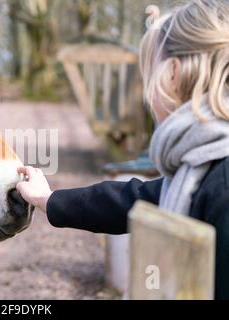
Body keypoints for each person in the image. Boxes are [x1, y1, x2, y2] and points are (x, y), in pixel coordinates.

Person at [16, 0, 229, 300]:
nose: (147, 96)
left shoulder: (221, 182)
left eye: (149, 77)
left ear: (173, 75)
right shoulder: (201, 169)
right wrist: (49, 200)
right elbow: (131, 201)